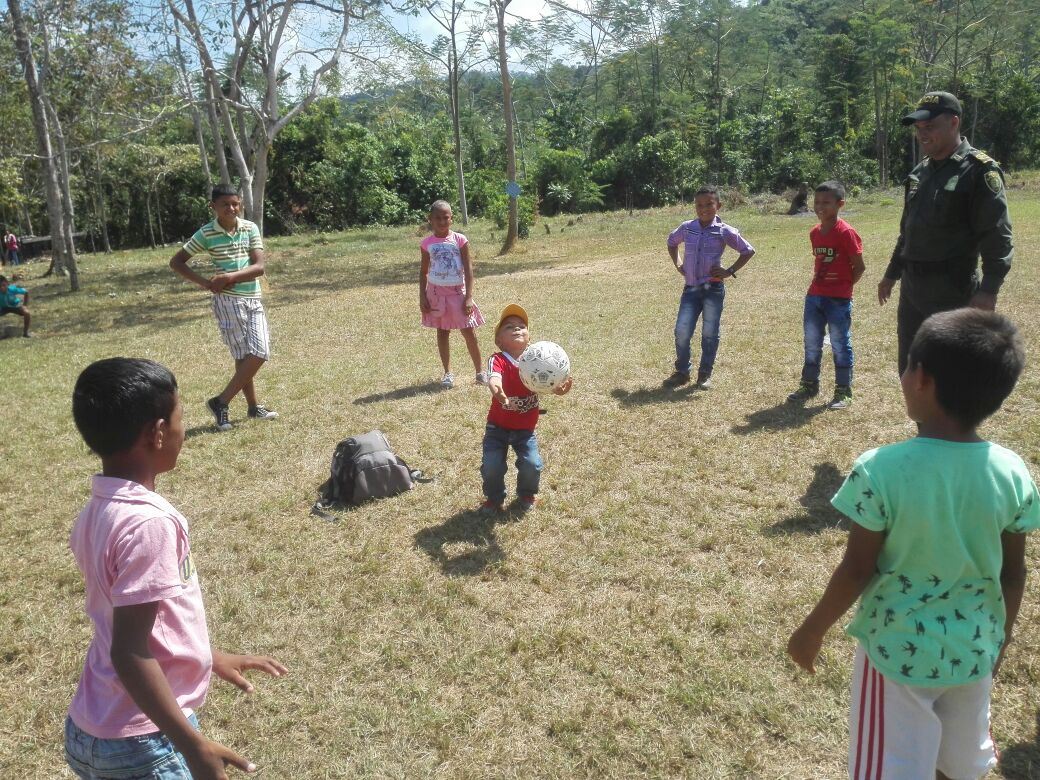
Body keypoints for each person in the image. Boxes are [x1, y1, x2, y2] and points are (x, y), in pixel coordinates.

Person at [787, 308, 1039, 780]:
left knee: (891, 768)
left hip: (896, 652)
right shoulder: (1012, 472)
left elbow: (857, 570)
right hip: (974, 651)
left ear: (920, 378)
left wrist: (812, 630)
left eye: (906, 366)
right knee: (960, 764)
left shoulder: (880, 470)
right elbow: (1013, 573)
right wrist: (998, 643)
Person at [66, 357, 288, 780]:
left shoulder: (96, 510)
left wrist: (204, 658)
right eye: (181, 417)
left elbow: (134, 624)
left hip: (91, 726)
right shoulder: (151, 524)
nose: (184, 430)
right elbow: (129, 652)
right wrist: (193, 745)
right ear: (158, 432)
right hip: (144, 741)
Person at [878, 91, 1013, 375]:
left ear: (954, 123)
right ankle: (924, 422)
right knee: (912, 371)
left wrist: (989, 289)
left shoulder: (978, 172)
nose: (922, 135)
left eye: (930, 127)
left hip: (953, 289)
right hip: (913, 289)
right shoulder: (919, 173)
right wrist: (892, 273)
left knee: (951, 375)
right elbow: (908, 231)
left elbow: (997, 235)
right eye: (918, 129)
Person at [170, 184, 278, 431]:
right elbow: (177, 262)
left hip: (253, 297)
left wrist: (227, 277)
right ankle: (252, 407)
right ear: (213, 207)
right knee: (243, 356)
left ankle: (221, 401)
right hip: (227, 302)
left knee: (259, 352)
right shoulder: (207, 233)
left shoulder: (250, 228)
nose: (231, 208)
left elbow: (259, 267)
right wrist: (206, 283)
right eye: (225, 204)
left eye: (235, 204)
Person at [480, 304, 572, 515]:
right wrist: (498, 391)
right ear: (499, 340)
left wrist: (558, 391)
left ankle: (527, 494)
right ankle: (494, 499)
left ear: (529, 338)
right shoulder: (499, 360)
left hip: (525, 430)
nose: (516, 328)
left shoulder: (539, 361)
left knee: (532, 464)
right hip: (497, 428)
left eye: (521, 325)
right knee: (492, 466)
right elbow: (494, 378)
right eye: (509, 326)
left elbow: (547, 384)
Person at [663, 185, 755, 389]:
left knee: (709, 332)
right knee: (682, 330)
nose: (704, 208)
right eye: (699, 205)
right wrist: (679, 264)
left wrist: (729, 271)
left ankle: (705, 374)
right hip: (691, 289)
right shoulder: (687, 228)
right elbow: (671, 241)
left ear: (718, 205)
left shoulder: (724, 231)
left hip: (713, 289)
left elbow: (748, 250)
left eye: (709, 204)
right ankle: (682, 372)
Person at [787, 181, 865, 410]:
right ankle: (809, 384)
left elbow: (859, 266)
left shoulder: (846, 232)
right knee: (812, 343)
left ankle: (843, 390)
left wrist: (843, 288)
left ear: (840, 204)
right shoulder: (815, 233)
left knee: (840, 344)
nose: (820, 207)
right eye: (817, 202)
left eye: (826, 203)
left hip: (838, 300)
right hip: (814, 297)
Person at [420, 200, 486, 388]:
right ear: (430, 219)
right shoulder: (426, 244)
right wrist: (422, 296)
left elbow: (468, 268)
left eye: (446, 218)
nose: (442, 221)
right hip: (436, 295)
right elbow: (423, 272)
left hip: (458, 293)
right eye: (438, 218)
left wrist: (469, 296)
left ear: (451, 219)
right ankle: (448, 373)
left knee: (468, 331)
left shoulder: (460, 240)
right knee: (442, 332)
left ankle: (480, 372)